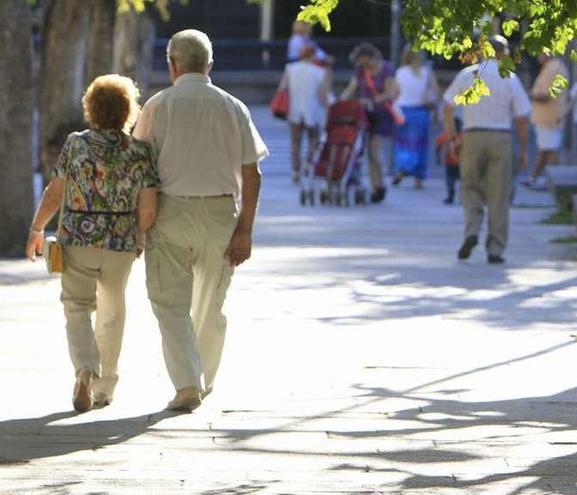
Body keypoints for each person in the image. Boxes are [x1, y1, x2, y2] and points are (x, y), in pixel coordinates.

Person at [133, 29, 268, 412]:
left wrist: (138, 226)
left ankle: (187, 382)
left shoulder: (157, 106)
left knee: (169, 302)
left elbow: (140, 169)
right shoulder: (233, 106)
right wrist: (245, 229)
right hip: (220, 214)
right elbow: (252, 174)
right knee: (210, 303)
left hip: (168, 211)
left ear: (172, 64)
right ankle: (203, 377)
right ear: (209, 65)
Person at [26, 74, 159, 413]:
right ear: (128, 110)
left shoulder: (75, 144)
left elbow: (55, 192)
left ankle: (85, 370)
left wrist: (37, 228)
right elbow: (148, 205)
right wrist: (140, 235)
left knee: (76, 306)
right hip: (120, 242)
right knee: (113, 310)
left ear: (91, 108)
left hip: (77, 238)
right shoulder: (140, 152)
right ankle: (105, 387)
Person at [443, 35, 531, 264]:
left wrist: (453, 137)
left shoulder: (467, 74)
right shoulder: (510, 78)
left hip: (471, 136)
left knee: (470, 187)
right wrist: (523, 149)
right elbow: (522, 118)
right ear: (503, 53)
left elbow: (447, 108)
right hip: (500, 137)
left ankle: (471, 230)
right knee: (499, 195)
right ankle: (495, 248)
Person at [340, 42, 398, 204]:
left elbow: (390, 93)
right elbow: (351, 89)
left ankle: (379, 185)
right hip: (365, 115)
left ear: (366, 57)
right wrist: (340, 103)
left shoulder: (387, 69)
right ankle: (376, 186)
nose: (357, 64)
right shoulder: (361, 71)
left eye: (359, 60)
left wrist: (372, 100)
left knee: (374, 151)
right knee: (367, 153)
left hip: (382, 114)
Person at [279, 43, 331, 183]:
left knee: (295, 142)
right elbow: (322, 95)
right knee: (313, 140)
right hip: (313, 110)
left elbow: (283, 88)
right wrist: (329, 108)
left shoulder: (290, 69)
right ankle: (309, 164)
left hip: (294, 110)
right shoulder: (319, 71)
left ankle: (296, 171)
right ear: (313, 55)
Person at [391, 48, 440, 189]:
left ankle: (403, 168)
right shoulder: (427, 72)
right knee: (420, 145)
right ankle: (418, 179)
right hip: (421, 112)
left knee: (403, 144)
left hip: (403, 111)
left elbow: (395, 94)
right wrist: (435, 111)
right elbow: (435, 92)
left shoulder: (400, 72)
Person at [521, 54, 569, 190]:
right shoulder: (552, 67)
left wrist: (529, 95)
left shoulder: (555, 68)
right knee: (545, 149)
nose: (537, 55)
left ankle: (547, 180)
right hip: (547, 117)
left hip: (550, 117)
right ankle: (535, 178)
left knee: (549, 150)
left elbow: (548, 95)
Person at [435, 117, 462, 204]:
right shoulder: (463, 136)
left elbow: (438, 147)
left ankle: (451, 196)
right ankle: (454, 196)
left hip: (453, 162)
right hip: (457, 163)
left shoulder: (445, 136)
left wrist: (438, 158)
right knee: (459, 180)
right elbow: (438, 147)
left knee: (451, 181)